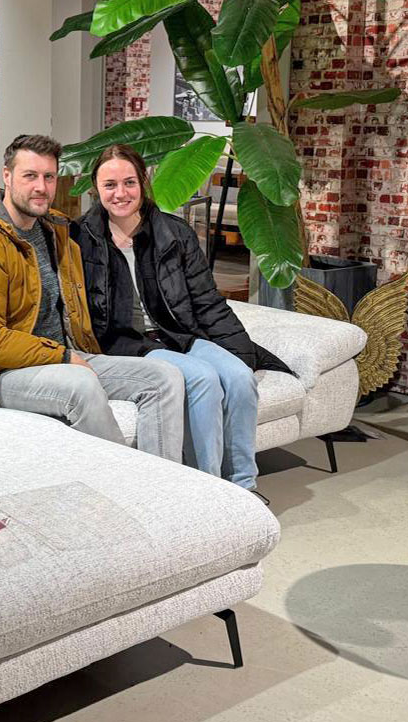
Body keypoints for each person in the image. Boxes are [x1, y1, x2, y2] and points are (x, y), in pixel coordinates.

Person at [0, 134, 187, 463]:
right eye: (30, 176)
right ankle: (122, 481)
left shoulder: (56, 229)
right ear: (7, 176)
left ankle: (161, 482)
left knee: (164, 377)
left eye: (49, 177)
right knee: (81, 384)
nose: (41, 187)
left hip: (60, 355)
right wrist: (63, 356)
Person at [76, 144, 289, 498]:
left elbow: (207, 301)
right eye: (109, 185)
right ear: (96, 189)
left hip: (178, 334)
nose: (120, 193)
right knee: (203, 378)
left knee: (239, 377)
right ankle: (207, 490)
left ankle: (243, 487)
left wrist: (239, 353)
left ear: (143, 182)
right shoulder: (80, 239)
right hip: (129, 343)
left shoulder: (173, 233)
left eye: (129, 182)